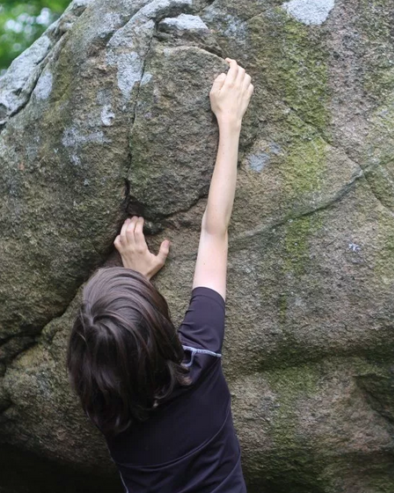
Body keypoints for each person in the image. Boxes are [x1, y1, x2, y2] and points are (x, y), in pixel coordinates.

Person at [66, 58, 254, 492]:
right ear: (159, 327)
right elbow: (214, 232)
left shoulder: (107, 417)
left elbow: (123, 358)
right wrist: (230, 123)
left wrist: (139, 286)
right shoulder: (200, 362)